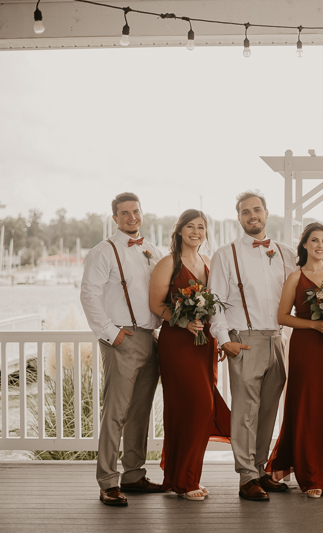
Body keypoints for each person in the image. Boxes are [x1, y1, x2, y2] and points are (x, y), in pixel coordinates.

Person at [208, 191, 297, 501]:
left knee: (268, 410)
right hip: (244, 339)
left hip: (277, 338)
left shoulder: (286, 253)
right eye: (245, 212)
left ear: (266, 213)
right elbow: (214, 302)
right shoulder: (225, 254)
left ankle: (259, 469)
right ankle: (246, 476)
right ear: (239, 218)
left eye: (256, 209)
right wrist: (225, 340)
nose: (252, 215)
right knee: (245, 412)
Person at [80, 192, 164, 506]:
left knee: (141, 413)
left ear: (142, 213)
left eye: (136, 211)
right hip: (122, 339)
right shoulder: (103, 252)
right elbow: (89, 295)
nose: (132, 217)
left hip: (150, 338)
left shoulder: (152, 250)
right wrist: (112, 335)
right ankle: (107, 481)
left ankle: (133, 475)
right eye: (125, 213)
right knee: (115, 414)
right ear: (115, 217)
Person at [265, 223, 323, 498]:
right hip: (306, 347)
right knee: (307, 406)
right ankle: (310, 477)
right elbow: (282, 318)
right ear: (304, 245)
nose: (320, 245)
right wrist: (315, 326)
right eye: (314, 240)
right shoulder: (295, 277)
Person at [148, 209, 231, 501]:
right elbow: (156, 305)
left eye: (201, 227)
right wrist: (183, 320)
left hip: (204, 342)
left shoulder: (208, 263)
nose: (196, 232)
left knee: (199, 408)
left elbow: (216, 307)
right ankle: (185, 480)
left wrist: (219, 338)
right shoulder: (167, 263)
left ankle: (182, 476)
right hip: (177, 344)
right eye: (190, 227)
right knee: (194, 406)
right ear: (180, 230)